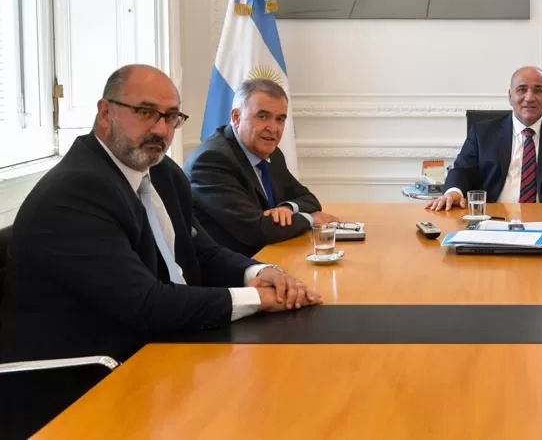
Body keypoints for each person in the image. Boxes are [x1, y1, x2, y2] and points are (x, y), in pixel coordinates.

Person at [0, 65, 320, 438]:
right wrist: (258, 300)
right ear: (105, 113)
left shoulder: (163, 172)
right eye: (145, 112)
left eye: (171, 117)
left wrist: (260, 271)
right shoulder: (76, 193)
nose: (161, 130)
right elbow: (146, 304)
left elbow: (202, 252)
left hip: (167, 348)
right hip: (88, 378)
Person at [184, 79, 336, 257]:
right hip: (231, 272)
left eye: (280, 119)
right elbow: (257, 230)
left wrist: (287, 208)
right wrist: (311, 219)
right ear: (236, 117)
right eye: (262, 116)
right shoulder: (212, 161)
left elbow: (309, 199)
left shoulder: (272, 154)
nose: (273, 128)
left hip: (270, 256)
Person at [426, 66, 542, 211]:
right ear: (510, 96)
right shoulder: (482, 133)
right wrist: (454, 192)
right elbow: (462, 171)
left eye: (538, 90)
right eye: (522, 90)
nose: (529, 97)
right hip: (490, 218)